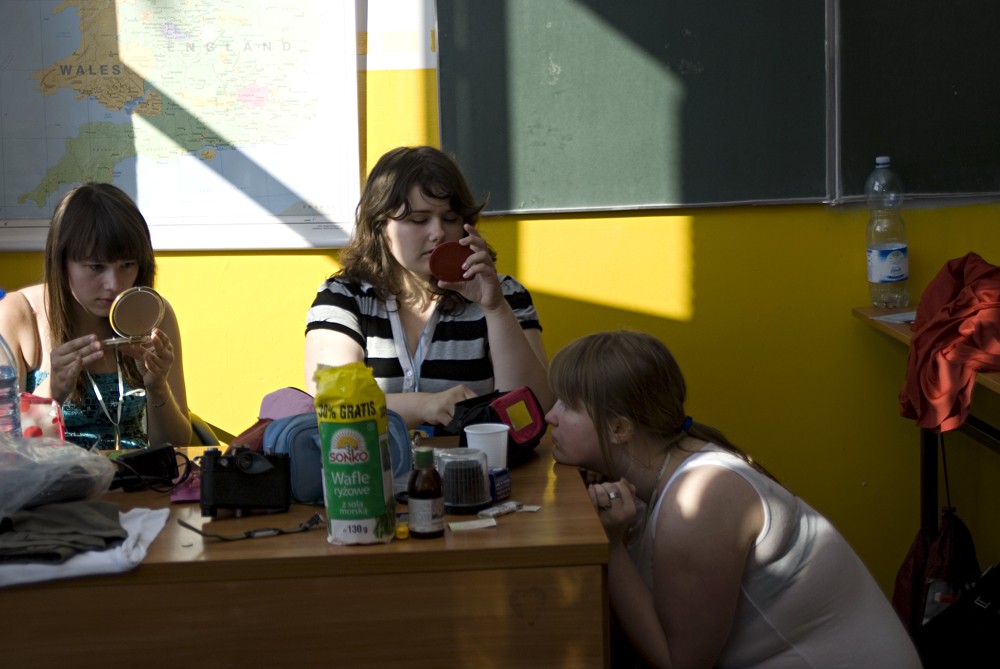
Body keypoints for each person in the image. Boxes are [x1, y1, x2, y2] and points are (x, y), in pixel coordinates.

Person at [545, 330, 921, 668]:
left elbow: (679, 663)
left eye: (567, 405)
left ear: (619, 428)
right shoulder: (663, 472)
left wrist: (612, 546)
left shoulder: (699, 500)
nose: (550, 416)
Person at [304, 146, 553, 427]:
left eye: (450, 219)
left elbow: (535, 407)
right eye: (419, 220)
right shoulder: (343, 297)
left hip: (476, 455)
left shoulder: (504, 293)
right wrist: (424, 405)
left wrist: (495, 309)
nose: (438, 233)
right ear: (380, 227)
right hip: (374, 456)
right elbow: (333, 400)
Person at [0, 183, 191, 449]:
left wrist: (158, 387)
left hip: (138, 474)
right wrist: (52, 391)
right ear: (62, 261)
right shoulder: (18, 314)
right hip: (58, 475)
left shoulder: (154, 315)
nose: (114, 284)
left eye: (127, 265)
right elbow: (7, 447)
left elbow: (177, 445)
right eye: (96, 266)